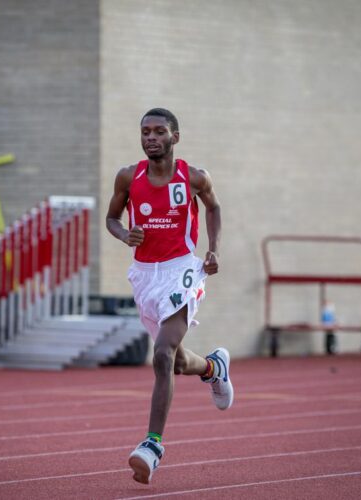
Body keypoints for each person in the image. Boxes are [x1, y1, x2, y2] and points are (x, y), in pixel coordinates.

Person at [105, 108, 234, 485]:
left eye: (159, 131)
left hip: (182, 269)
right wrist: (122, 233)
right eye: (145, 131)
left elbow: (214, 207)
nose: (150, 137)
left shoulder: (194, 177)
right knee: (174, 362)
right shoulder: (128, 177)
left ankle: (152, 445)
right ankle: (214, 368)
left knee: (160, 354)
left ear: (174, 137)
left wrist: (213, 250)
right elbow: (112, 218)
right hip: (145, 276)